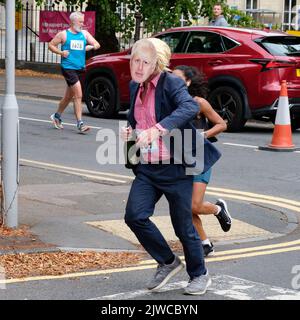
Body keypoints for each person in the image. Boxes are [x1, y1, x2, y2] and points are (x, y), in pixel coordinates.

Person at [121, 38, 220, 296]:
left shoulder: (171, 82)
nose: (139, 65)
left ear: (157, 61)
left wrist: (158, 128)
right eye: (136, 59)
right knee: (134, 215)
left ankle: (199, 274)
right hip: (148, 167)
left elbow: (189, 106)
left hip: (176, 166)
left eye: (145, 60)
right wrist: (131, 130)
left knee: (182, 225)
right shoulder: (135, 85)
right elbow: (136, 117)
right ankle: (167, 261)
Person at [173, 65, 232, 257]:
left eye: (177, 78)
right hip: (180, 159)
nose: (172, 81)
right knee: (186, 206)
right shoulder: (170, 102)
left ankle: (218, 209)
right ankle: (205, 243)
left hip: (200, 158)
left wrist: (203, 134)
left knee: (194, 205)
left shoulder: (198, 103)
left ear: (188, 83)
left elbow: (222, 124)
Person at [48, 11, 100, 133]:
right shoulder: (64, 35)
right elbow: (51, 45)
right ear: (72, 22)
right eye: (80, 21)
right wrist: (61, 53)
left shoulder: (84, 34)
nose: (82, 24)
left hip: (80, 68)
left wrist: (90, 47)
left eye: (83, 21)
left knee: (68, 97)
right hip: (68, 68)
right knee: (78, 95)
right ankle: (80, 124)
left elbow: (97, 44)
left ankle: (56, 116)